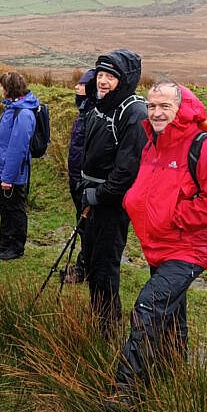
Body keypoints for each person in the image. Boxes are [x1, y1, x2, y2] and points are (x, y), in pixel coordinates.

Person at [116, 81, 207, 387]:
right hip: (158, 246)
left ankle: (125, 393)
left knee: (148, 308)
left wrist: (175, 217)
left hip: (188, 250)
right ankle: (173, 377)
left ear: (181, 109)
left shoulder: (205, 146)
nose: (156, 113)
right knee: (170, 316)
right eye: (152, 106)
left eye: (165, 106)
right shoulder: (153, 143)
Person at [76, 50, 148, 335]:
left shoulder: (134, 112)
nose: (103, 81)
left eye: (110, 76)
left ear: (124, 80)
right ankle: (100, 312)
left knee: (104, 264)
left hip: (111, 204)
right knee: (92, 259)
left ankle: (105, 325)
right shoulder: (102, 104)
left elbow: (127, 170)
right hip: (92, 194)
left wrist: (99, 194)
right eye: (101, 75)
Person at [0, 72, 37, 261]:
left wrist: (8, 177)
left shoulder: (23, 114)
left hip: (12, 173)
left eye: (2, 86)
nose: (0, 89)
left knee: (15, 209)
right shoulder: (13, 108)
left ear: (9, 89)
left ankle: (16, 247)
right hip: (3, 170)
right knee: (5, 207)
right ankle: (4, 242)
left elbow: (17, 148)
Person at [63, 69, 97, 283]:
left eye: (82, 84)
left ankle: (85, 268)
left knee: (88, 226)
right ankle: (85, 267)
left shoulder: (93, 113)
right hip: (77, 177)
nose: (77, 87)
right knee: (83, 224)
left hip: (85, 180)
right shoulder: (84, 110)